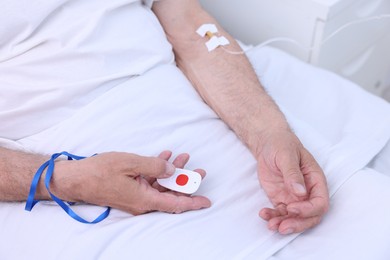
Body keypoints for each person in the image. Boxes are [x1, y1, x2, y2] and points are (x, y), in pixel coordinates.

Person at [0, 0, 329, 235]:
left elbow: (187, 24)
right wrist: (67, 180)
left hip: (189, 98)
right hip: (59, 159)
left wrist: (269, 135)